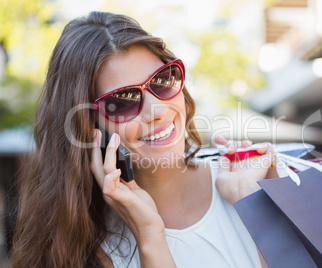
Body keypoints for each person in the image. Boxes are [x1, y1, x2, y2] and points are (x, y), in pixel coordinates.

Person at [11, 11, 277, 267]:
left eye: (162, 80)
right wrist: (150, 235)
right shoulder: (87, 251)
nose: (158, 111)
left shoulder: (257, 180)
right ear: (90, 128)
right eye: (122, 101)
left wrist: (252, 204)